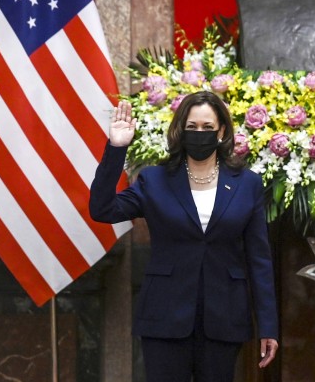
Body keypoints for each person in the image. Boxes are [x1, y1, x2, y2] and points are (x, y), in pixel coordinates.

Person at [89, 91, 279, 382]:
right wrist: (117, 149)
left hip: (224, 317)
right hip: (164, 315)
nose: (199, 134)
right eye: (192, 127)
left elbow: (259, 260)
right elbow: (102, 209)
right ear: (180, 130)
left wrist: (267, 325)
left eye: (207, 127)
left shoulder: (247, 184)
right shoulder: (154, 179)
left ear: (222, 131)